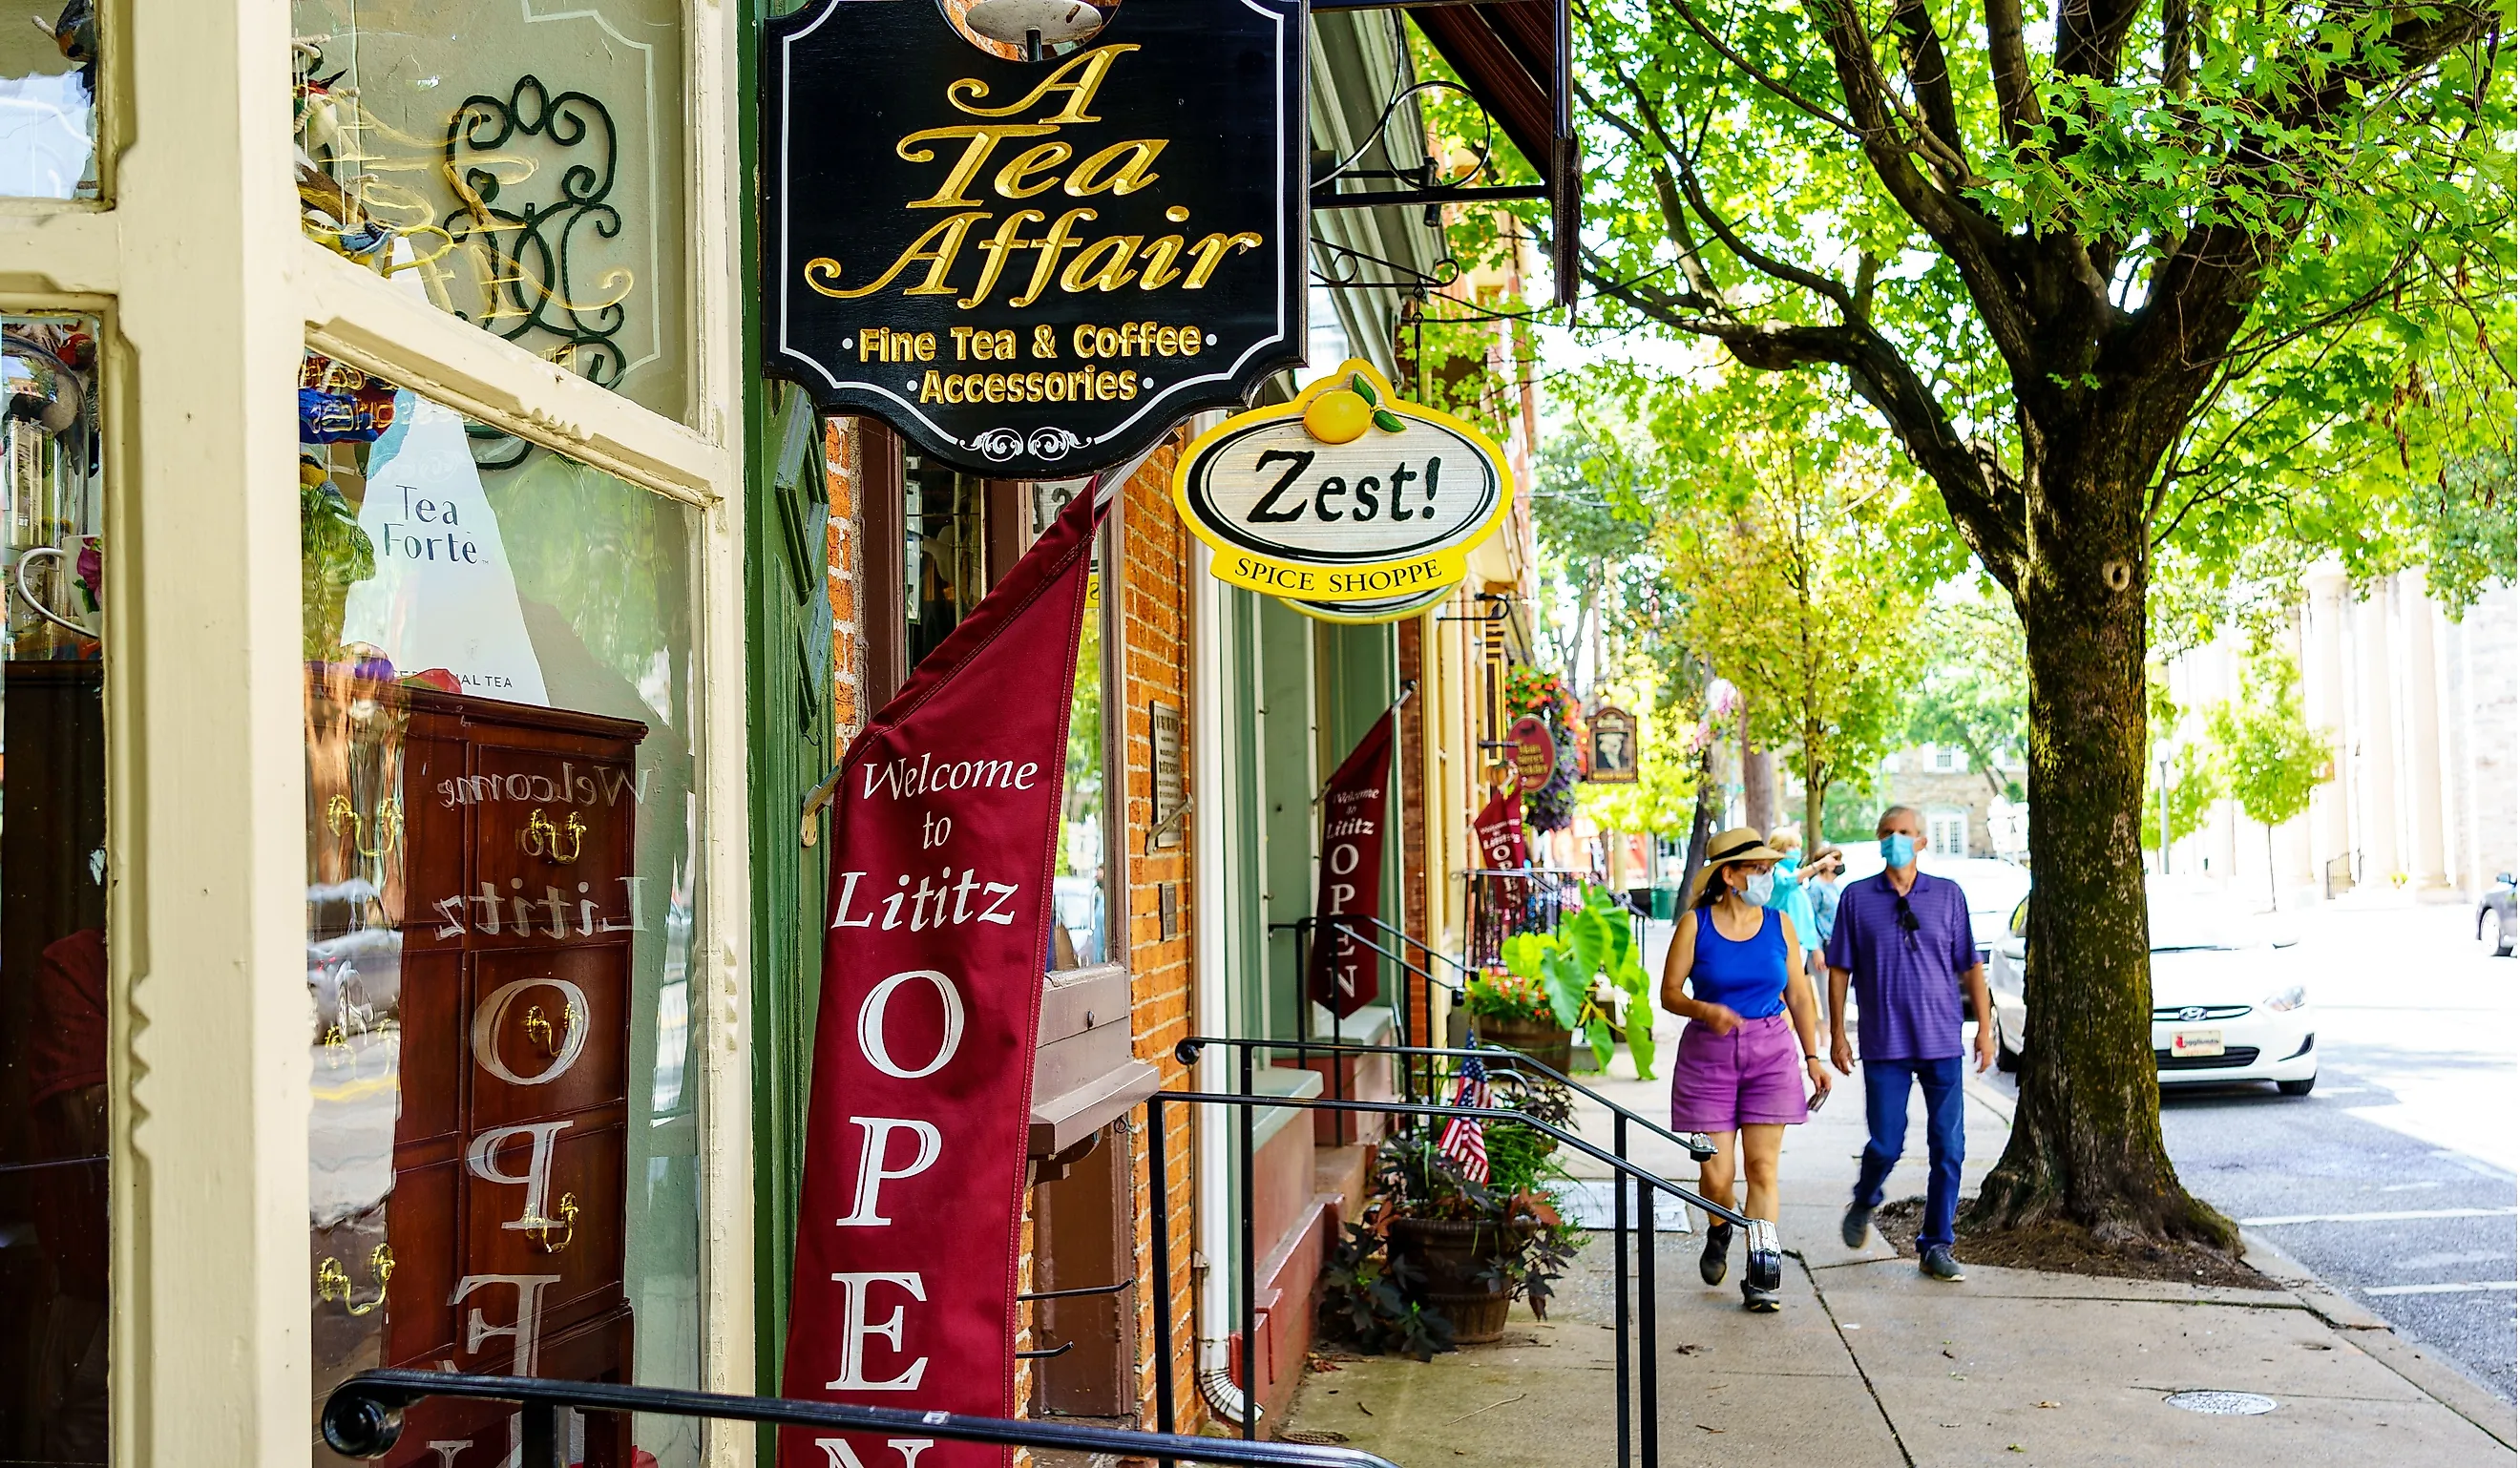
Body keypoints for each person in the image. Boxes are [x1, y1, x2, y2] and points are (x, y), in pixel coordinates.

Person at [1660, 828, 1833, 1311]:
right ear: (1729, 875)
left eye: (1769, 868)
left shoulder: (1781, 924)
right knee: (1718, 1176)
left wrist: (1813, 1057)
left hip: (1771, 1054)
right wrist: (1705, 1010)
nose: (1767, 875)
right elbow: (1670, 993)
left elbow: (1798, 994)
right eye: (1758, 869)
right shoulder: (1696, 925)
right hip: (1707, 1057)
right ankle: (1719, 1231)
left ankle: (1763, 1274)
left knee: (1762, 1169)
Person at [1825, 807, 1997, 1281]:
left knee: (1949, 1146)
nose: (1895, 840)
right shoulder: (1857, 899)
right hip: (1885, 1042)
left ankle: (1936, 1243)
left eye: (1904, 833)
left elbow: (1971, 967)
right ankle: (1865, 1198)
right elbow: (1839, 970)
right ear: (1878, 841)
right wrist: (1837, 1033)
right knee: (1885, 1141)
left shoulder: (1947, 896)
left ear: (1921, 842)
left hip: (1942, 1039)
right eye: (1887, 833)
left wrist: (1984, 1028)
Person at [1763, 827, 1823, 973]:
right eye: (1790, 846)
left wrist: (1814, 946)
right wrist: (1818, 866)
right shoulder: (1775, 873)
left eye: (1797, 846)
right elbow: (1787, 882)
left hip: (1800, 941)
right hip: (1782, 940)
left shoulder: (1796, 875)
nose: (1795, 850)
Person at [1805, 846, 1845, 950]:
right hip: (1824, 943)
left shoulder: (1837, 886)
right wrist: (1816, 949)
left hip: (1837, 941)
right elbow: (1811, 918)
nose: (1840, 864)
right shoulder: (1816, 886)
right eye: (1837, 860)